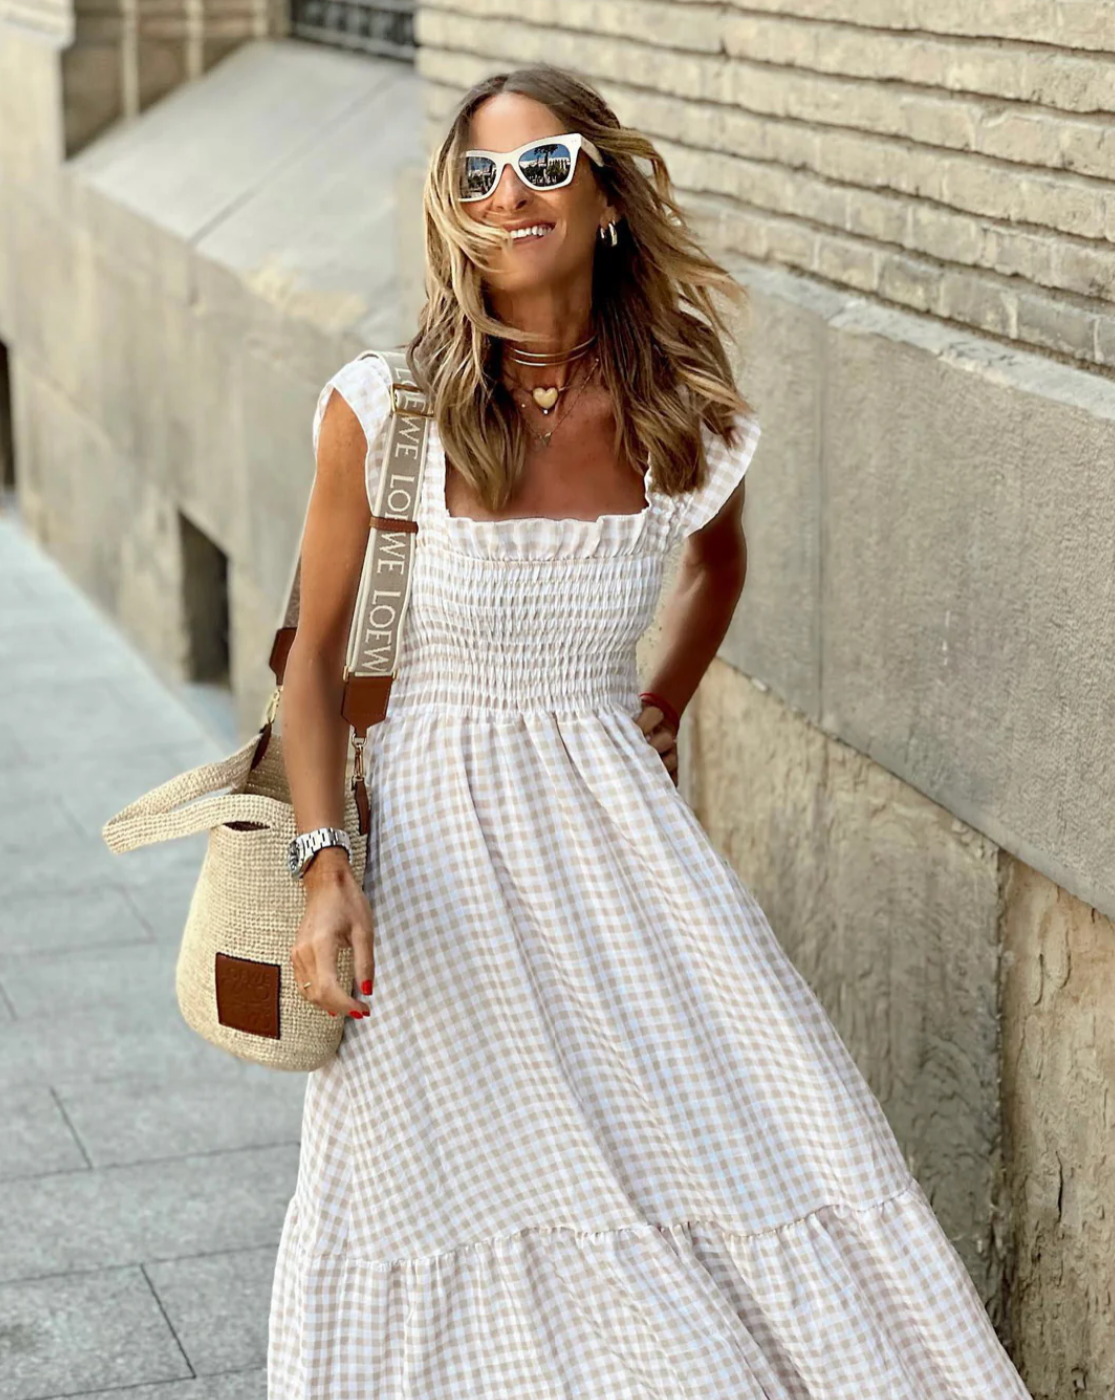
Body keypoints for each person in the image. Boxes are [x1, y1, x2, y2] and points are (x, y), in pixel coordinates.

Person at [268, 62, 1033, 1399]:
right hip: (433, 865)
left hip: (618, 844)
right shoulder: (383, 410)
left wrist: (660, 703)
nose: (509, 197)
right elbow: (313, 657)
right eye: (477, 176)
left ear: (607, 194)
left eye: (544, 166)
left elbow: (717, 568)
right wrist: (325, 865)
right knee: (454, 1184)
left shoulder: (684, 406)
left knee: (764, 1125)